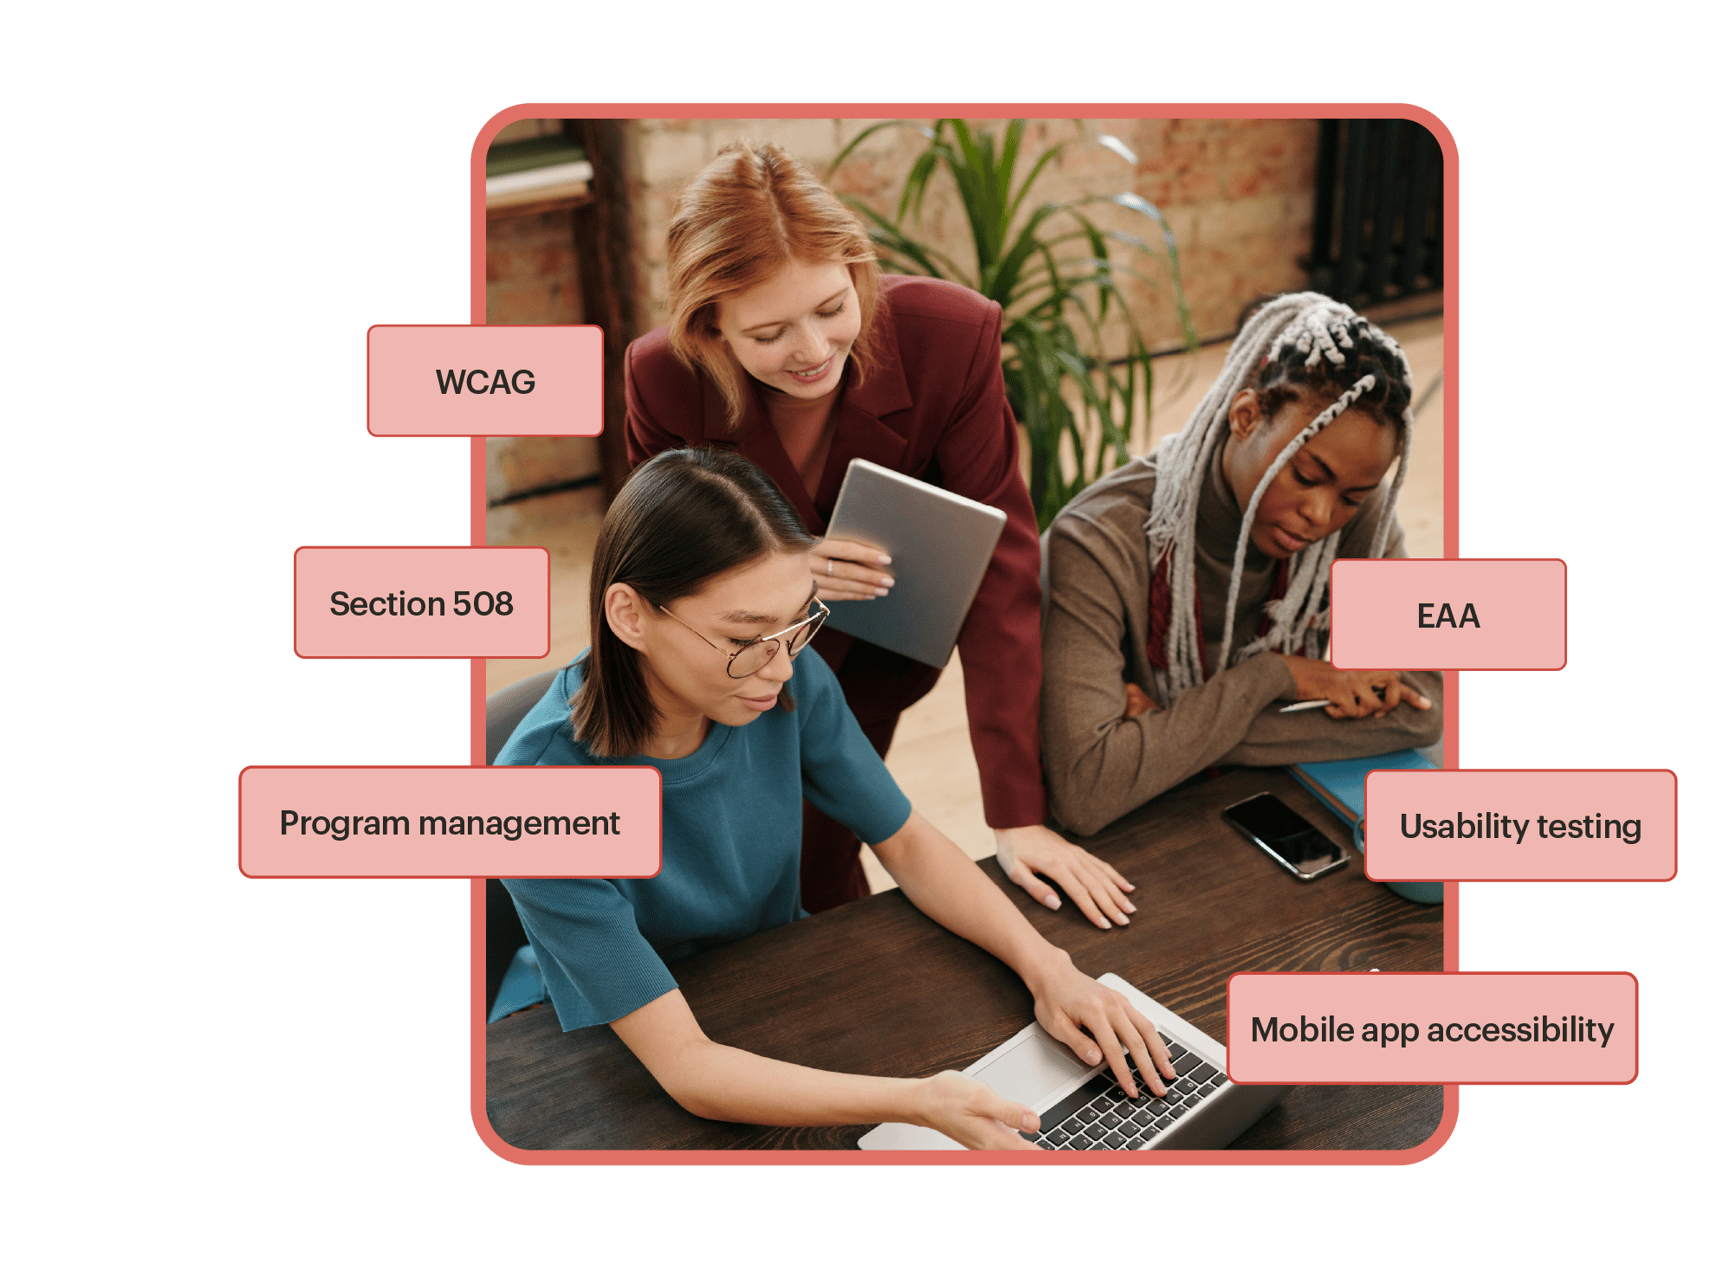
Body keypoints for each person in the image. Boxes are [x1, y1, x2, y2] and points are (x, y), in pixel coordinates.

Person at [496, 448, 1174, 1149]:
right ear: (630, 616)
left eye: (797, 624)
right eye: (743, 637)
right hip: (626, 1057)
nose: (782, 664)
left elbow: (906, 841)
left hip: (778, 986)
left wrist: (1049, 969)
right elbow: (687, 1067)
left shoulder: (786, 681)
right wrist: (922, 1102)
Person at [620, 139, 1132, 929]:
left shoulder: (951, 339)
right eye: (769, 334)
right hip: (724, 660)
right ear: (711, 328)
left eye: (832, 308)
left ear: (857, 269)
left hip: (873, 656)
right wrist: (785, 567)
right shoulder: (661, 377)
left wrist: (1016, 814)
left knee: (823, 854)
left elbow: (1003, 577)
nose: (814, 350)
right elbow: (657, 563)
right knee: (717, 868)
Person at [1040, 292, 1443, 836]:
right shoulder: (1096, 539)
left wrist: (1165, 723)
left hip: (1266, 804)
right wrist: (1279, 677)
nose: (1322, 513)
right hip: (1130, 844)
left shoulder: (1360, 516)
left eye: (1350, 496)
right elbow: (1088, 788)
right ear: (1247, 416)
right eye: (1305, 475)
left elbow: (1422, 709)